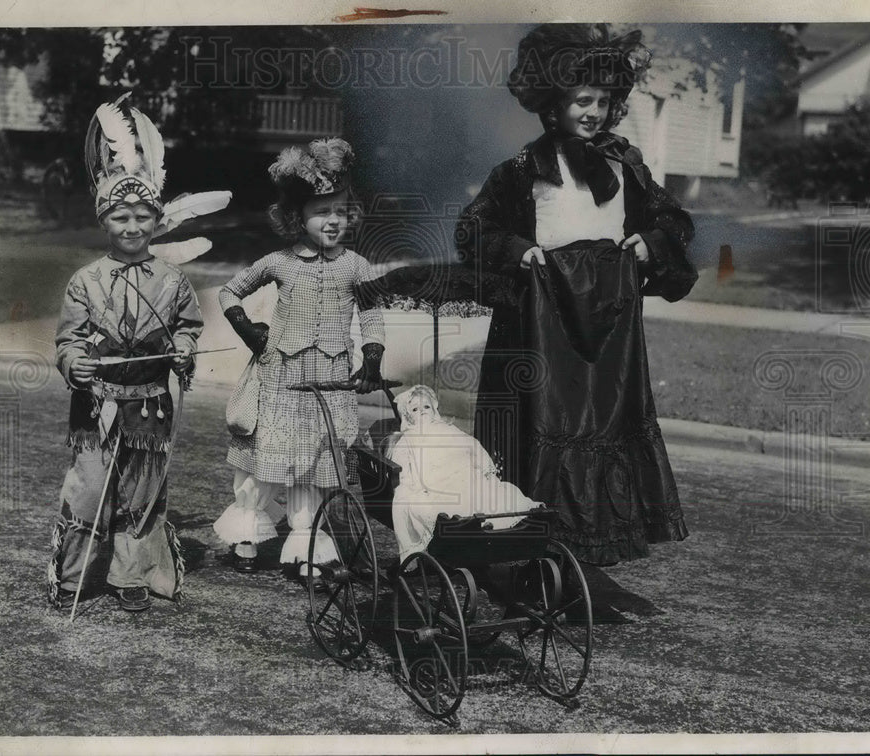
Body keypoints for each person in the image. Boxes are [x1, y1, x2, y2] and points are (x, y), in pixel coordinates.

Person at [456, 24, 698, 566]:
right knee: (541, 423)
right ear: (554, 103)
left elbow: (674, 222)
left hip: (608, 332)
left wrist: (649, 244)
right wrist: (519, 251)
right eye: (581, 100)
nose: (593, 112)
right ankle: (528, 545)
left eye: (603, 101)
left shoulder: (625, 166)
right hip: (541, 325)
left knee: (602, 426)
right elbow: (475, 229)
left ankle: (585, 547)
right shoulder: (523, 171)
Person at [46, 95, 206, 613]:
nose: (132, 227)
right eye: (120, 216)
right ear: (104, 220)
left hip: (151, 406)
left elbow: (188, 328)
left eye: (142, 216)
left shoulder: (173, 281)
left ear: (157, 220)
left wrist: (183, 351)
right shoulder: (85, 281)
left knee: (141, 492)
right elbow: (68, 340)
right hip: (97, 404)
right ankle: (73, 574)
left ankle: (130, 575)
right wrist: (75, 363)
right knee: (91, 490)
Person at [212, 138, 386, 584]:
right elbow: (229, 291)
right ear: (296, 216)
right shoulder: (279, 263)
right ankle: (247, 538)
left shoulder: (357, 267)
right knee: (268, 460)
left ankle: (307, 547)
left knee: (315, 466)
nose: (333, 220)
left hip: (330, 382)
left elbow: (372, 314)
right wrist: (249, 330)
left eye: (340, 211)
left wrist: (372, 356)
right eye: (321, 211)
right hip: (281, 379)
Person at [390, 385, 535, 563]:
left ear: (434, 409)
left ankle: (496, 525)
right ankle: (476, 528)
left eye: (426, 406)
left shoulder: (449, 430)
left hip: (465, 477)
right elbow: (402, 470)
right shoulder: (408, 440)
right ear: (407, 416)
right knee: (453, 502)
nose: (422, 411)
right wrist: (412, 487)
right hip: (436, 485)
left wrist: (485, 469)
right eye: (415, 409)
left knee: (494, 493)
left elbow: (472, 445)